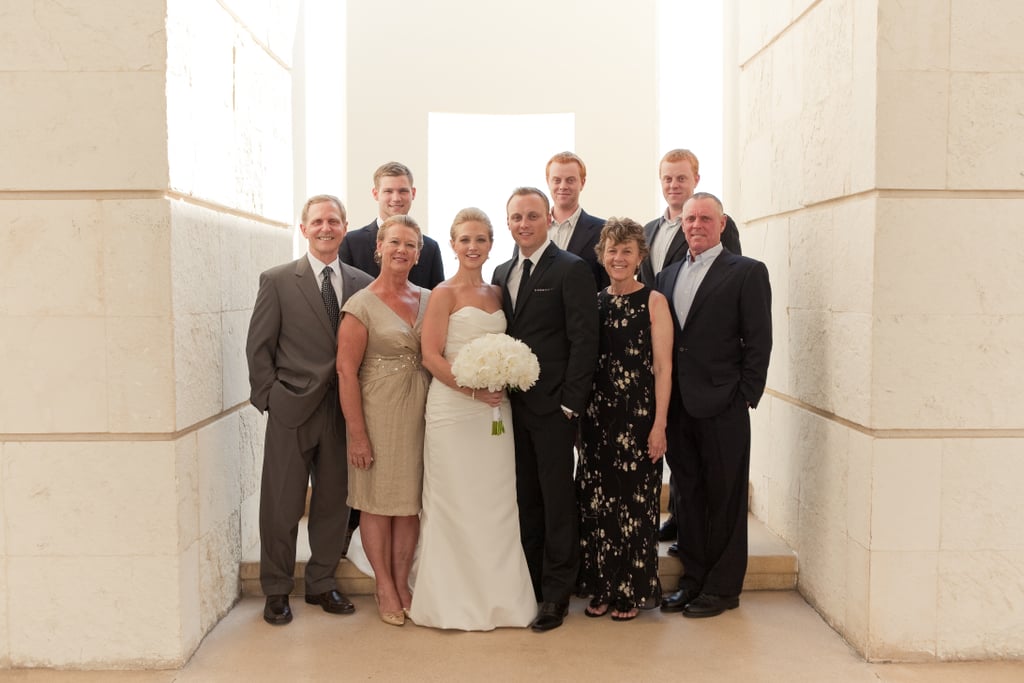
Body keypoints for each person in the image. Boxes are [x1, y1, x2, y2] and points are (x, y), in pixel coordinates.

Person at [245, 194, 373, 626]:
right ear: (303, 228)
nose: (326, 227)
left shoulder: (362, 282)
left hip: (342, 412)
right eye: (317, 221)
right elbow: (258, 347)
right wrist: (270, 399)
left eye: (333, 221)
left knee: (333, 504)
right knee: (280, 504)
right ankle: (277, 589)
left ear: (343, 226)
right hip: (291, 410)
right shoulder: (278, 280)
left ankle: (322, 583)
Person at [408, 208, 537, 631]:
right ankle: (452, 598)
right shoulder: (442, 294)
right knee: (455, 499)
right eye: (464, 239)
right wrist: (473, 390)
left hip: (496, 412)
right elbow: (430, 355)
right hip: (453, 410)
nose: (472, 247)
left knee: (496, 501)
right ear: (452, 244)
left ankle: (501, 596)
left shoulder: (498, 293)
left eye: (480, 239)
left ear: (490, 245)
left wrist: (503, 381)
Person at [655, 192, 772, 618]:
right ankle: (693, 580)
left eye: (706, 218)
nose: (696, 225)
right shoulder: (666, 276)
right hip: (680, 405)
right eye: (690, 219)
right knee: (688, 497)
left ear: (722, 225)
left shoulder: (746, 272)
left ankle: (723, 589)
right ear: (681, 224)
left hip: (724, 404)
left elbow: (759, 341)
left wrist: (745, 396)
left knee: (724, 498)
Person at [492, 187, 599, 632]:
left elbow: (584, 339)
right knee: (524, 500)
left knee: (557, 503)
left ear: (548, 220)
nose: (524, 223)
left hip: (554, 409)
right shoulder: (500, 272)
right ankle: (531, 586)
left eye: (532, 215)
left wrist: (572, 404)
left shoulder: (571, 269)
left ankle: (556, 594)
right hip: (507, 411)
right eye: (516, 216)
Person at [639, 148, 742, 546]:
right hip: (666, 356)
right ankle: (678, 517)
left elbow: (727, 284)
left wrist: (742, 389)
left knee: (705, 465)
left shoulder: (714, 222)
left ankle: (687, 523)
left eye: (681, 178)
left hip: (706, 369)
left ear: (695, 179)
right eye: (667, 178)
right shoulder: (649, 230)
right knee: (677, 453)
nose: (673, 184)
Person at [576, 217, 673, 622]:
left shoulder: (653, 301)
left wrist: (659, 426)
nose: (618, 257)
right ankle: (601, 587)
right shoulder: (594, 301)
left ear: (639, 257)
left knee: (634, 507)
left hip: (638, 419)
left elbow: (664, 368)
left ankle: (630, 592)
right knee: (597, 506)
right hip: (598, 419)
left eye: (627, 251)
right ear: (602, 255)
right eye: (612, 250)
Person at [337, 215, 431, 627]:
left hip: (423, 413)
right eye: (394, 242)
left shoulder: (429, 298)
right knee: (377, 503)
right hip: (377, 413)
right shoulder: (361, 304)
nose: (402, 251)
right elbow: (345, 371)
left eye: (410, 245)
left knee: (409, 504)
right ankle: (384, 584)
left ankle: (403, 580)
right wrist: (357, 435)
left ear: (418, 254)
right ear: (379, 247)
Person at [338, 161, 445, 289]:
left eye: (403, 191)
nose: (396, 198)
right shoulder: (351, 243)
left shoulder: (430, 248)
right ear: (375, 194)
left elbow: (436, 300)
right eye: (388, 191)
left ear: (413, 193)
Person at [545, 151, 608, 289]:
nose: (563, 186)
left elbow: (607, 287)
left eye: (570, 180)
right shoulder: (532, 228)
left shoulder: (603, 230)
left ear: (582, 183)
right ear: (548, 182)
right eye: (557, 180)